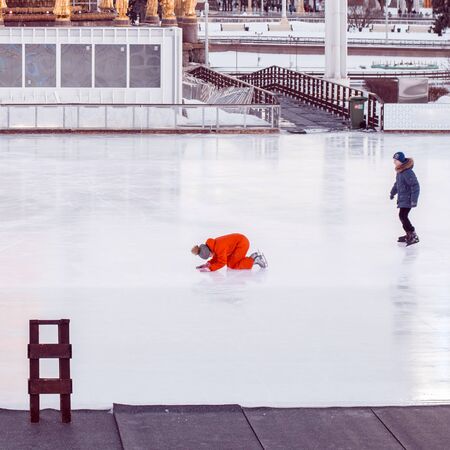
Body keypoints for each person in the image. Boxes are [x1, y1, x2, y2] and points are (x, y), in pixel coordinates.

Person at [191, 233, 267, 272]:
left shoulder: (219, 247)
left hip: (242, 244)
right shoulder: (213, 245)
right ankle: (254, 256)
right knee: (230, 264)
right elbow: (216, 258)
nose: (210, 257)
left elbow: (222, 262)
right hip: (239, 243)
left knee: (233, 266)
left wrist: (210, 269)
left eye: (209, 256)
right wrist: (208, 264)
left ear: (209, 251)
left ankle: (254, 260)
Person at [390, 152, 420, 246]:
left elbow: (415, 186)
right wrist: (392, 192)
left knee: (403, 216)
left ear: (401, 161)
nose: (394, 162)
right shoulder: (400, 171)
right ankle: (409, 234)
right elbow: (397, 184)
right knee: (402, 216)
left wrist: (414, 200)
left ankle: (413, 235)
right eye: (394, 160)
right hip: (403, 198)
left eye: (396, 160)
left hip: (408, 199)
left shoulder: (407, 172)